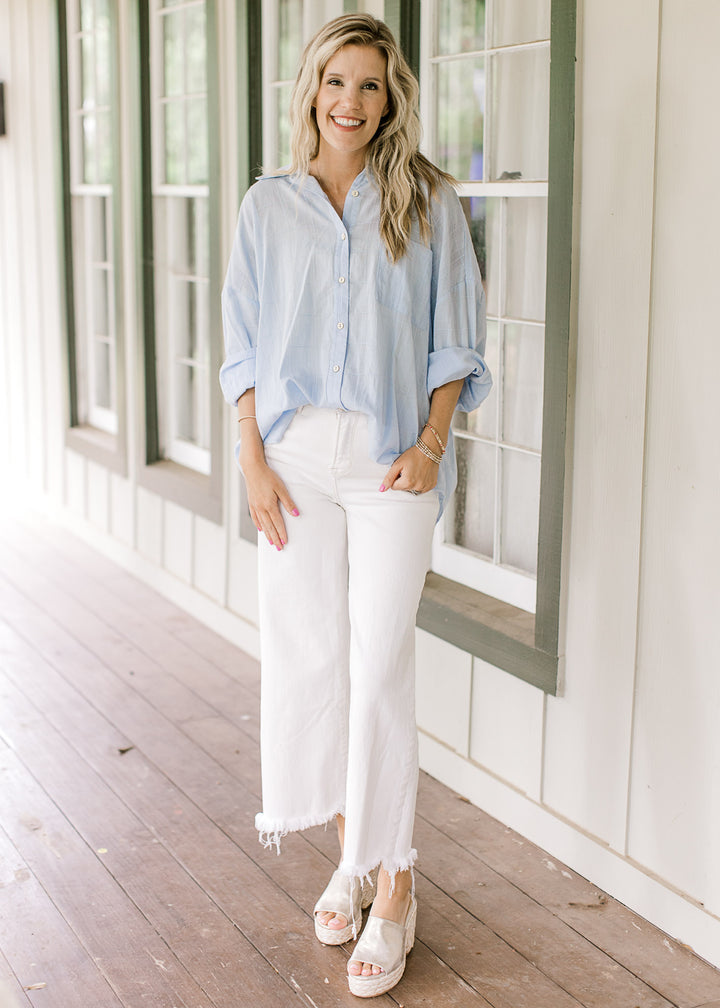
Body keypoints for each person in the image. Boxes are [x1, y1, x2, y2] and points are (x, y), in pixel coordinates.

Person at [220, 13, 491, 998]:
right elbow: (242, 350)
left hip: (388, 465)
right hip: (292, 460)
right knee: (313, 660)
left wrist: (429, 448)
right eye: (336, 81)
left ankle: (397, 892)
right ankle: (352, 858)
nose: (350, 102)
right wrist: (250, 460)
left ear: (391, 97)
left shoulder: (426, 201)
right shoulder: (268, 207)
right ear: (311, 89)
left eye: (370, 85)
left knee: (379, 668)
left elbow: (456, 342)